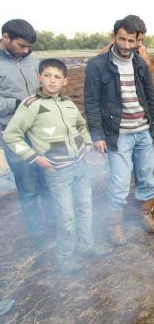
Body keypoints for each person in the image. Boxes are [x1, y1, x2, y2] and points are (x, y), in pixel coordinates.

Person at [4, 59, 110, 273]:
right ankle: (65, 258)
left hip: (80, 167)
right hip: (57, 171)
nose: (52, 81)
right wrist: (35, 158)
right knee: (66, 217)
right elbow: (11, 135)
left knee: (85, 209)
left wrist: (87, 144)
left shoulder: (68, 104)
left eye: (57, 77)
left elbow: (81, 125)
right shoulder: (31, 105)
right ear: (39, 77)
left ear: (65, 81)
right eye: (48, 76)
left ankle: (86, 246)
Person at [84, 15, 154, 246]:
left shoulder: (140, 64)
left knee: (146, 178)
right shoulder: (97, 65)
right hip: (118, 134)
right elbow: (91, 102)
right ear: (113, 37)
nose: (126, 46)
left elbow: (151, 98)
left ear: (139, 41)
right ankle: (116, 226)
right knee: (120, 182)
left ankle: (145, 214)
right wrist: (97, 136)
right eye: (122, 40)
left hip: (144, 131)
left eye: (132, 41)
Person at [99, 15, 154, 196]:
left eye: (140, 40)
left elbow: (147, 83)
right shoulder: (106, 55)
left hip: (146, 113)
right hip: (123, 119)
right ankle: (126, 195)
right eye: (137, 40)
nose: (138, 44)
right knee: (126, 160)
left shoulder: (140, 54)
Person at [0, 19, 55, 248]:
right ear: (5, 37)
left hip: (41, 131)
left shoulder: (34, 61)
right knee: (28, 186)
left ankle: (54, 225)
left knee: (49, 180)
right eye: (21, 45)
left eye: (29, 47)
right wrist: (17, 104)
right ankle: (38, 234)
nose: (26, 50)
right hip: (15, 135)